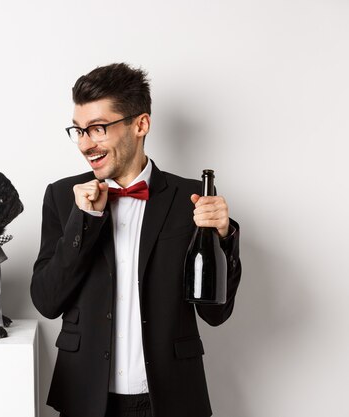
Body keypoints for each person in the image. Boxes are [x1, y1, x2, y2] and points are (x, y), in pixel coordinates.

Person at [30, 63, 242, 417]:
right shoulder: (62, 196)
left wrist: (223, 237)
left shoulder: (191, 196)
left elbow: (215, 313)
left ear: (140, 124)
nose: (85, 144)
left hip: (171, 399)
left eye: (97, 128)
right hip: (84, 397)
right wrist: (85, 220)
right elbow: (47, 301)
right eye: (79, 130)